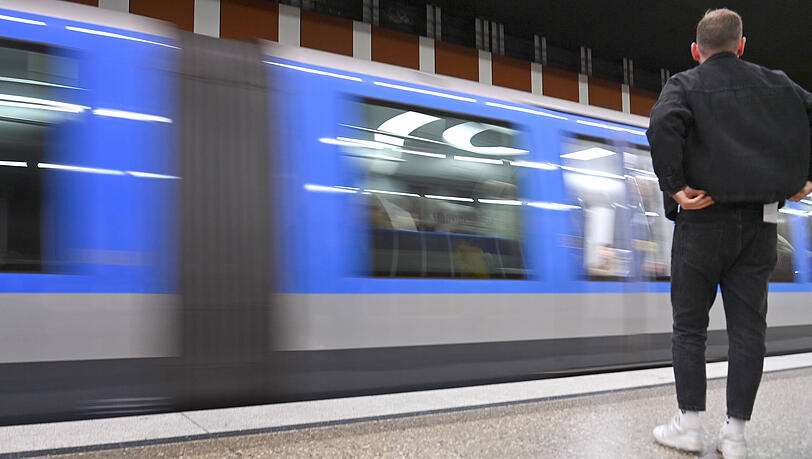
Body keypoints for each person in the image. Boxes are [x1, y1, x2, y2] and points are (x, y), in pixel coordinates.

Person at [646, 8, 812, 458]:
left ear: (696, 50)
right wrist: (804, 177)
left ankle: (689, 426)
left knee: (689, 327)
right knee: (748, 331)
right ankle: (735, 435)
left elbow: (662, 124)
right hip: (760, 224)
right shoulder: (779, 84)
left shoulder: (683, 84)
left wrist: (674, 186)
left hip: (702, 220)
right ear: (741, 45)